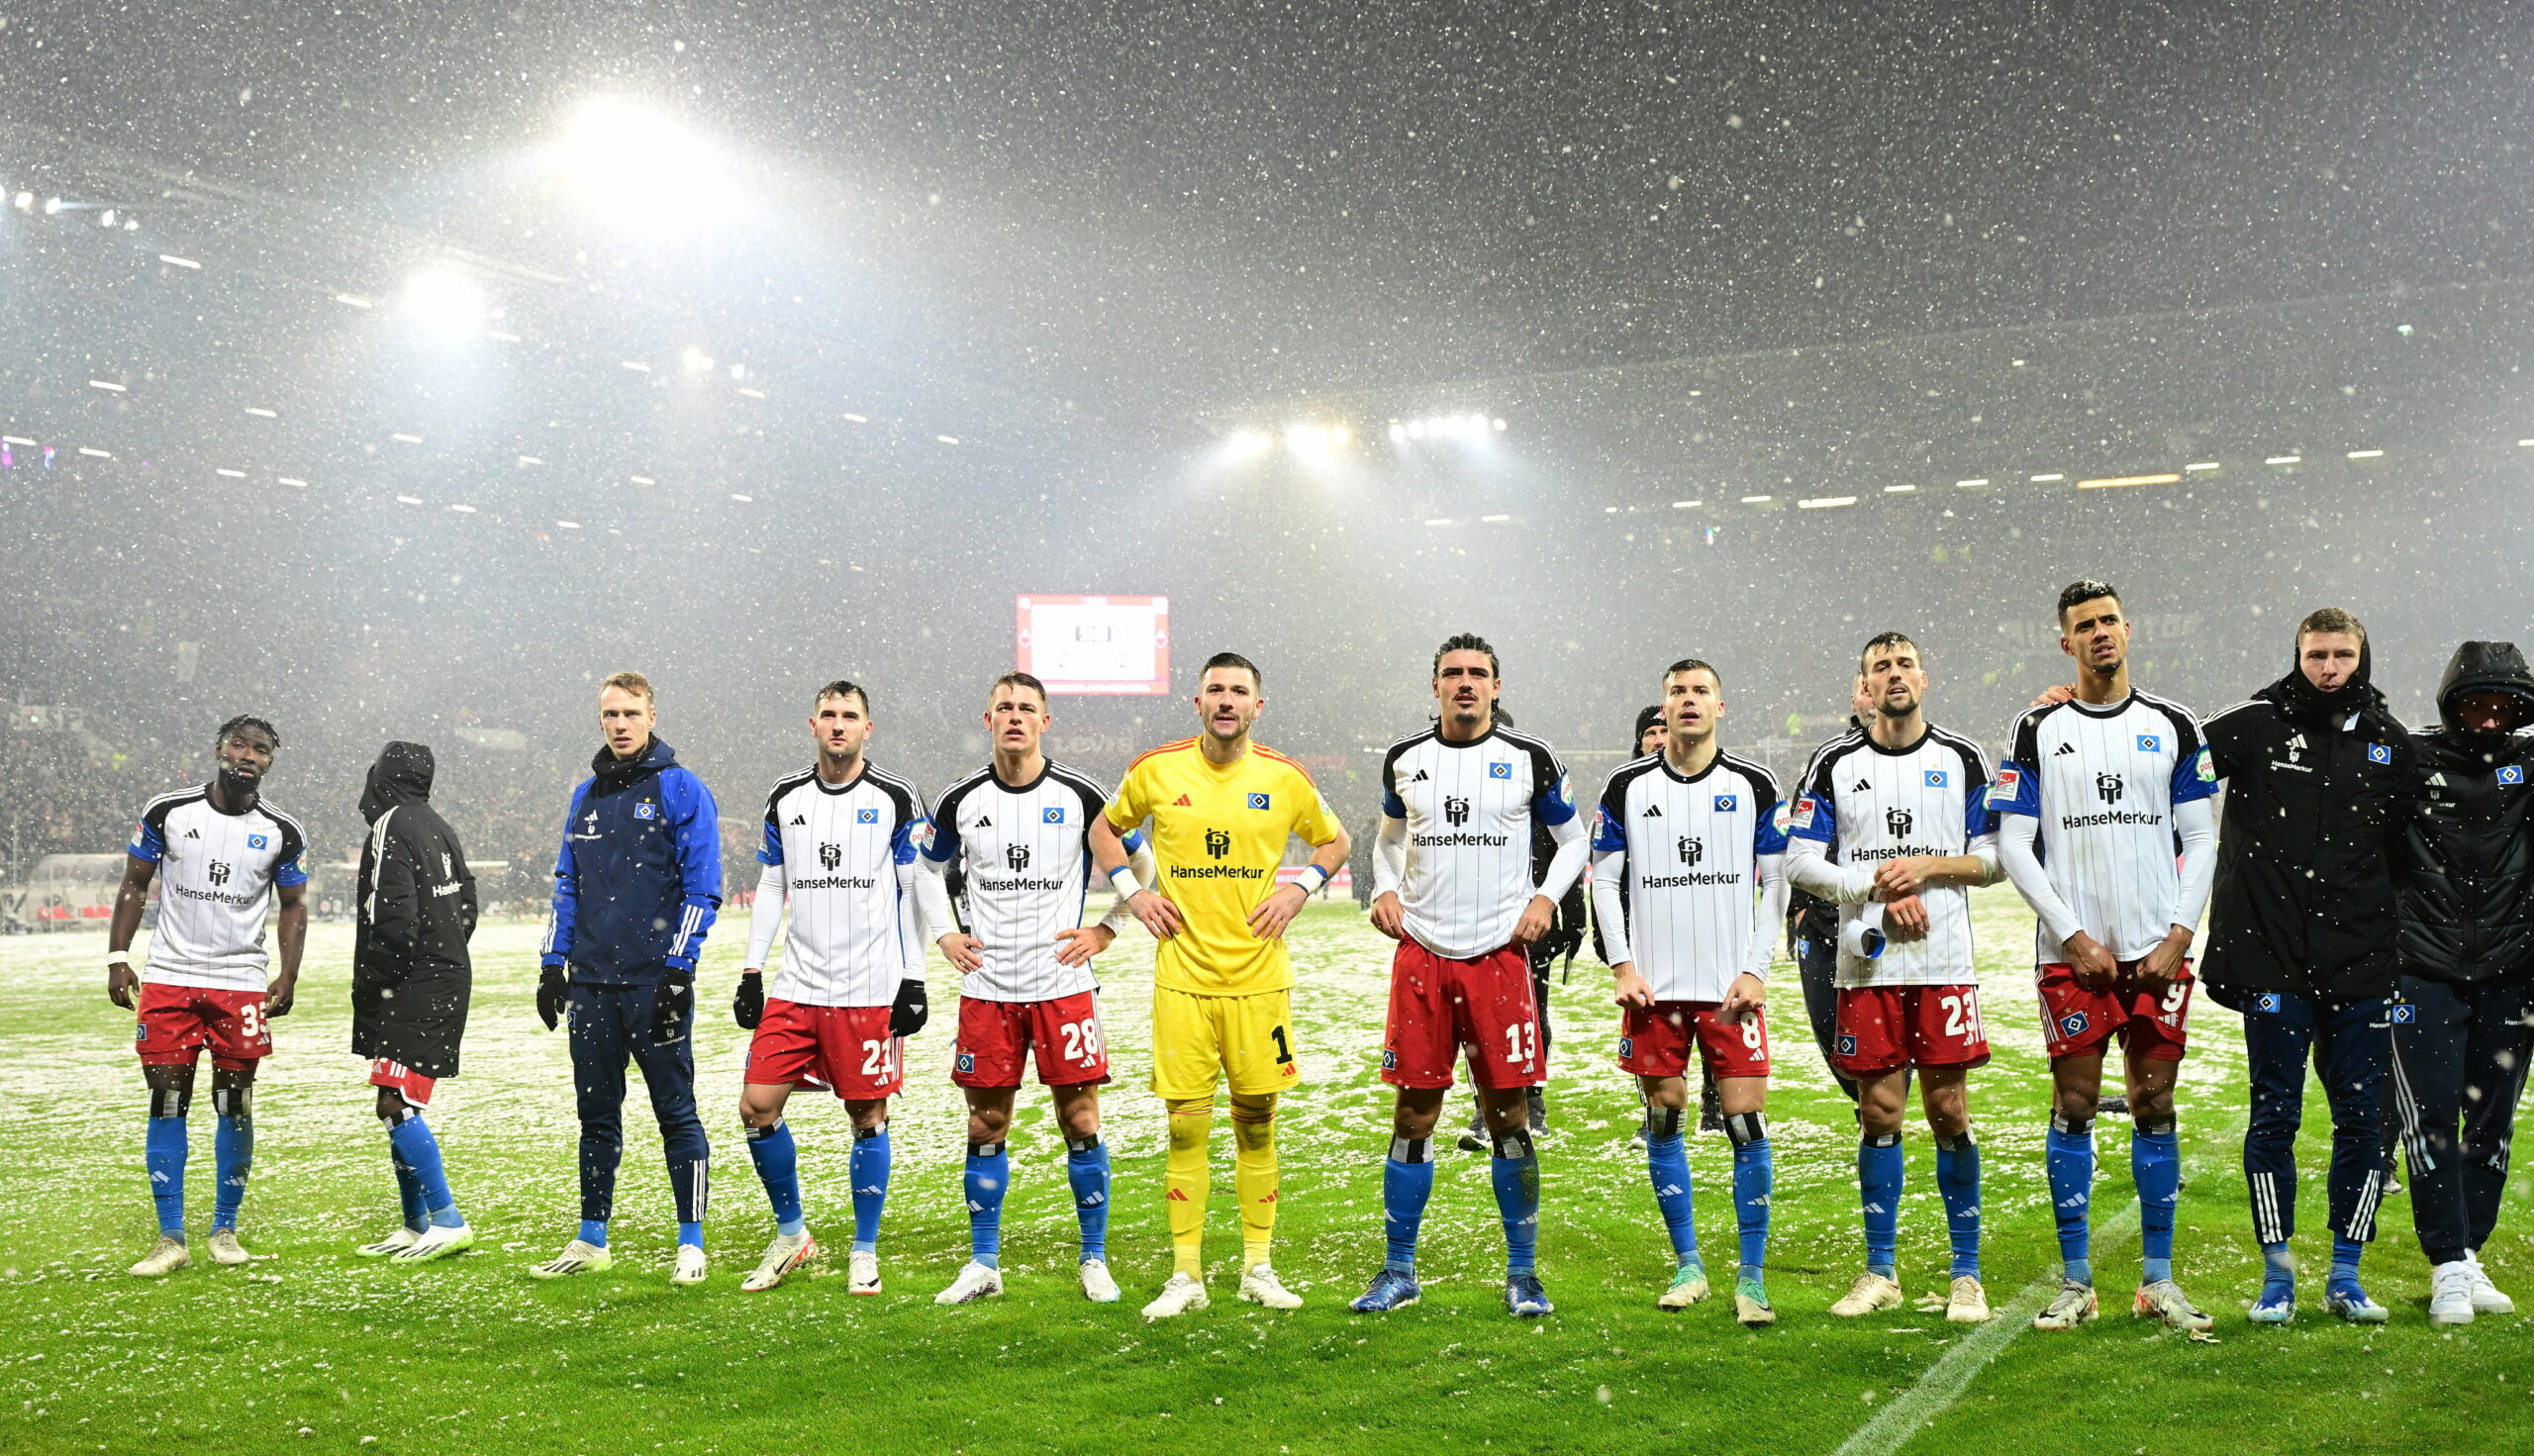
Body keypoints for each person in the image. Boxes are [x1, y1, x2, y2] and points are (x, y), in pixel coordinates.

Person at [1090, 651, 1349, 1320]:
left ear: (1257, 706)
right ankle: (1185, 1275)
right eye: (1216, 690)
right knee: (1184, 1130)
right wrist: (1132, 895)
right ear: (1197, 702)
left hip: (1260, 982)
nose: (1227, 699)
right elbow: (1104, 828)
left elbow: (1335, 842)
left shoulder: (1285, 778)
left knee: (1258, 1124)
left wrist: (1300, 888)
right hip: (1181, 982)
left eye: (1239, 690)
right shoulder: (1156, 769)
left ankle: (1258, 1266)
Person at [1992, 581, 2217, 1332]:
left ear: (2129, 629)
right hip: (2072, 956)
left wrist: (2179, 933)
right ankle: (2077, 1280)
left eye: (2109, 621)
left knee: (2154, 1102)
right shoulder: (2036, 728)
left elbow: (2202, 836)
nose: (2099, 634)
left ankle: (2157, 1279)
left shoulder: (2173, 723)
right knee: (2077, 1104)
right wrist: (2070, 931)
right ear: (2065, 641)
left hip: (2158, 950)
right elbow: (2013, 844)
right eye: (2083, 626)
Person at [1353, 634, 1587, 1318]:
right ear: (1435, 685)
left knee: (1509, 1116)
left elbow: (1574, 839)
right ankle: (1399, 1270)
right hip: (1423, 955)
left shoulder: (1529, 759)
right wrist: (1385, 888)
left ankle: (1523, 1273)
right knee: (1412, 1114)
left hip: (1499, 959)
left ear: (1496, 684)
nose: (1465, 683)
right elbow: (1389, 839)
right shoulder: (1406, 759)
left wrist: (1545, 898)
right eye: (1452, 673)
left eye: (1477, 673)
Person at [2199, 609, 2419, 1324]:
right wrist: (2069, 710)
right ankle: (2278, 1275)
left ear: (2364, 655)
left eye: (2344, 654)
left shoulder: (2391, 742)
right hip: (2273, 960)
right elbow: (2158, 762)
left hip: (2360, 961)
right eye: (2318, 654)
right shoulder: (2254, 724)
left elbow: (2408, 854)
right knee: (2275, 1115)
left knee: (2361, 1119)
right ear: (2297, 653)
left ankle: (2347, 1275)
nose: (2331, 667)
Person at [1786, 633, 2000, 1324]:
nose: (1894, 675)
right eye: (1881, 667)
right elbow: (1798, 860)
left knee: (1948, 1112)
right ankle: (1881, 1270)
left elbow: (1994, 858)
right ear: (1865, 686)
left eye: (1904, 663)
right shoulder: (1833, 762)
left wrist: (1927, 868)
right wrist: (1875, 886)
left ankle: (1966, 1273)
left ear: (1924, 677)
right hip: (1866, 963)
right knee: (1878, 1112)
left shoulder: (1961, 758)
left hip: (1943, 964)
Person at [917, 671, 1151, 1305]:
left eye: (1026, 708)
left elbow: (1141, 862)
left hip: (1063, 986)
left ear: (1045, 721)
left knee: (1079, 1118)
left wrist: (1106, 928)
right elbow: (926, 871)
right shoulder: (960, 799)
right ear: (987, 718)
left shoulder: (1080, 795)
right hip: (988, 988)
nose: (1014, 717)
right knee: (985, 1123)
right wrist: (945, 936)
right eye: (1004, 707)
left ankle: (1095, 1257)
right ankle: (983, 1263)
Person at [1589, 658, 1790, 1326]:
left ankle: (1753, 1278)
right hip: (1656, 993)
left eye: (1700, 690)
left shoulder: (1754, 784)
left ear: (1720, 706)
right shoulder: (1625, 786)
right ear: (1663, 706)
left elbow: (1775, 887)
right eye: (1676, 690)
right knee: (1666, 1118)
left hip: (1732, 992)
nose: (1688, 700)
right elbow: (1604, 882)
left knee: (1744, 1122)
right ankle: (1689, 1263)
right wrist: (1622, 966)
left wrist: (1757, 969)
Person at [731, 680, 929, 1295]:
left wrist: (913, 978)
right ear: (812, 724)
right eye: (829, 715)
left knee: (866, 1113)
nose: (838, 725)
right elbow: (770, 886)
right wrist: (751, 970)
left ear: (868, 728)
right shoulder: (786, 797)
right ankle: (793, 1235)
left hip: (869, 990)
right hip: (797, 987)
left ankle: (864, 1248)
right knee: (756, 1106)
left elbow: (913, 890)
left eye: (850, 716)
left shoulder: (896, 796)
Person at [532, 671, 721, 1285]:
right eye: (610, 714)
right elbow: (568, 885)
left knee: (676, 1112)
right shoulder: (584, 795)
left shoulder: (681, 788)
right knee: (596, 1116)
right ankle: (592, 1238)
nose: (619, 725)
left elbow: (703, 887)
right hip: (592, 987)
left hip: (652, 984)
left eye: (630, 714)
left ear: (651, 716)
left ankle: (690, 1242)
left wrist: (677, 969)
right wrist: (553, 964)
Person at [107, 714, 309, 1277]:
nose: (247, 756)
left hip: (241, 983)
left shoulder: (282, 831)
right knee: (168, 1098)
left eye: (260, 750)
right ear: (219, 750)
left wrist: (288, 974)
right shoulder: (167, 812)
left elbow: (293, 905)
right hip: (170, 975)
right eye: (238, 745)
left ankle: (225, 1228)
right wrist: (118, 956)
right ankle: (171, 1238)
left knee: (235, 1102)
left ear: (270, 761)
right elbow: (134, 883)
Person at [2389, 640, 2534, 1325]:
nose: (2488, 717)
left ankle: (2467, 1254)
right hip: (2423, 972)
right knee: (2431, 1121)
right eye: (2475, 703)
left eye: (2502, 705)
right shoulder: (2411, 760)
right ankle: (2447, 1260)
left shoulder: (2532, 765)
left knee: (2493, 1122)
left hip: (2512, 975)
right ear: (2452, 702)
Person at [347, 741, 480, 1263]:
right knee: (393, 1096)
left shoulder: (390, 827)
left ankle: (447, 1219)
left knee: (396, 1102)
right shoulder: (438, 824)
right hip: (441, 976)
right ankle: (414, 1223)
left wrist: (379, 983)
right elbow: (468, 904)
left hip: (411, 984)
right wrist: (445, 951)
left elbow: (392, 919)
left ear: (381, 776)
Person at [1789, 677, 1882, 1108]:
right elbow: (1798, 843)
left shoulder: (1925, 759)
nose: (1872, 695)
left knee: (1886, 1024)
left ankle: (1881, 1109)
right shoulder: (1828, 761)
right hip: (1824, 919)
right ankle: (1866, 1106)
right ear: (1855, 699)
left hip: (1887, 918)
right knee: (1828, 1026)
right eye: (1865, 687)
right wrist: (1799, 910)